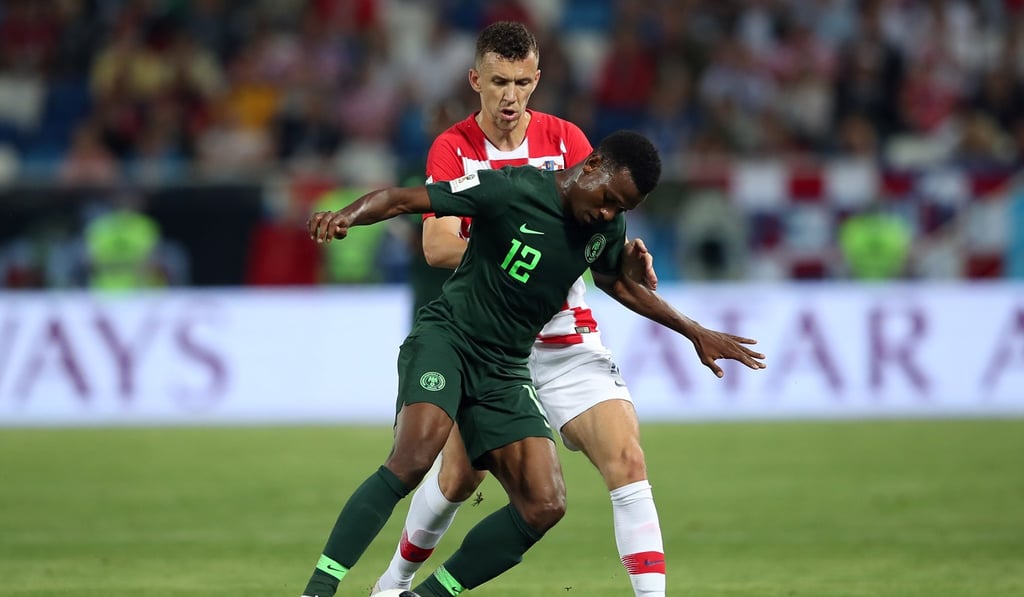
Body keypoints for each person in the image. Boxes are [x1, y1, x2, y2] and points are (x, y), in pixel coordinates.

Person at [299, 130, 767, 597]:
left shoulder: (605, 227)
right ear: (591, 165)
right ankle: (319, 590)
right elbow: (403, 200)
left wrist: (694, 331)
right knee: (415, 458)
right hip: (450, 339)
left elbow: (617, 283)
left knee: (544, 504)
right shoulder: (512, 187)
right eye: (608, 198)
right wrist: (346, 216)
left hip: (505, 367)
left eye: (621, 208)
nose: (608, 213)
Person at [375, 21, 672, 596]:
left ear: (536, 79)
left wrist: (625, 260)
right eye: (499, 82)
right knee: (459, 477)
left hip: (564, 337)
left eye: (521, 83)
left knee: (628, 460)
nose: (510, 96)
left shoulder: (567, 141)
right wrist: (524, 253)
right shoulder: (454, 147)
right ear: (476, 81)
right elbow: (437, 245)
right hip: (487, 342)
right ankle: (393, 584)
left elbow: (597, 229)